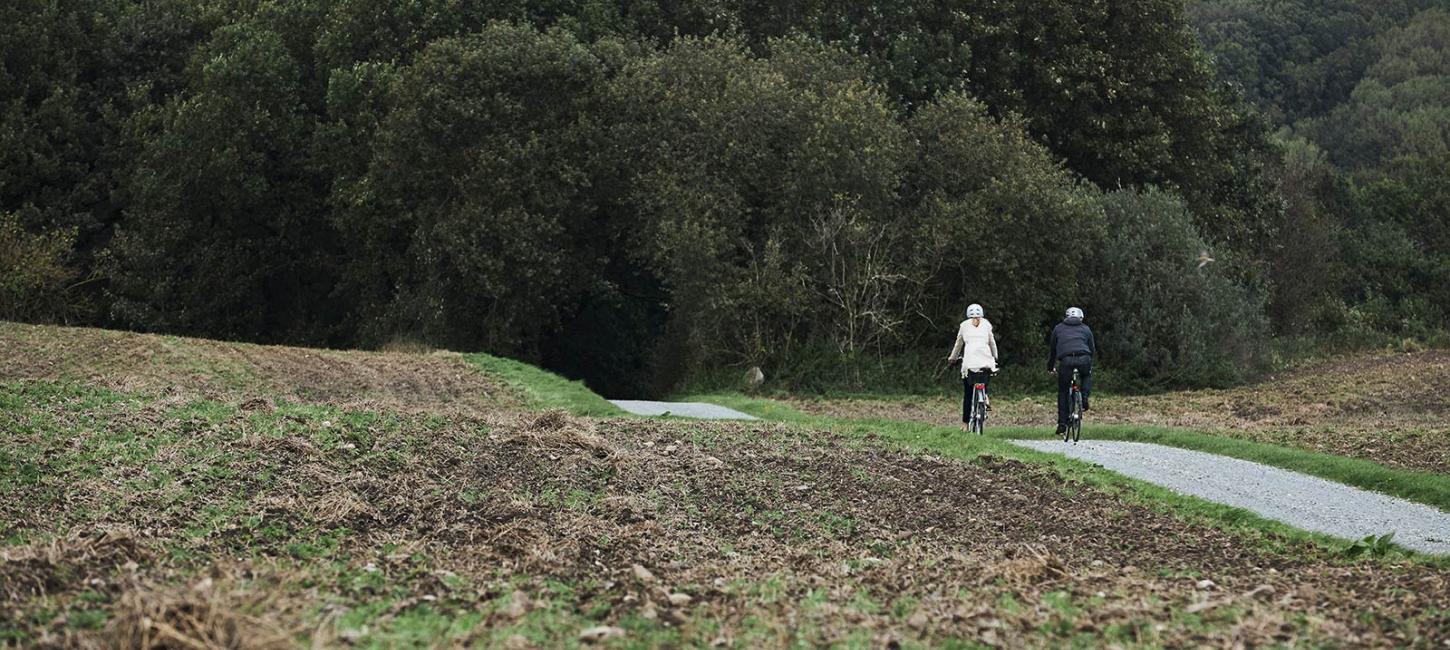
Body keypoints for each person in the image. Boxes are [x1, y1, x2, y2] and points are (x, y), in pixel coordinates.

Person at [947, 303, 998, 431]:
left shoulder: (964, 326)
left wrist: (952, 359)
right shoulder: (986, 324)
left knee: (968, 393)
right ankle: (985, 395)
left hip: (970, 361)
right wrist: (995, 357)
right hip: (986, 360)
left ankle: (965, 424)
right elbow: (992, 343)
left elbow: (958, 345)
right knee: (985, 375)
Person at [1047, 306, 1095, 436]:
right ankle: (1084, 397)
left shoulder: (1058, 328)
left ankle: (1062, 424)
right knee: (1086, 376)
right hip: (1084, 357)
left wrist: (1050, 366)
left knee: (1063, 391)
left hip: (1066, 360)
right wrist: (1090, 363)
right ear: (1081, 318)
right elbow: (1092, 348)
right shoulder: (1086, 329)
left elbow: (1053, 350)